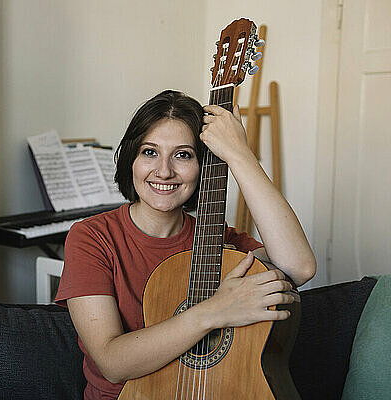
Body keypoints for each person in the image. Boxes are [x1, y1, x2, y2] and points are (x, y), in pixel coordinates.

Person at [54, 90, 316, 400]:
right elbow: (111, 363)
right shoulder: (92, 237)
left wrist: (239, 154)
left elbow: (298, 268)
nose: (164, 171)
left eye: (183, 155)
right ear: (132, 159)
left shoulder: (217, 242)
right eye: (150, 152)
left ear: (203, 166)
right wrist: (214, 311)